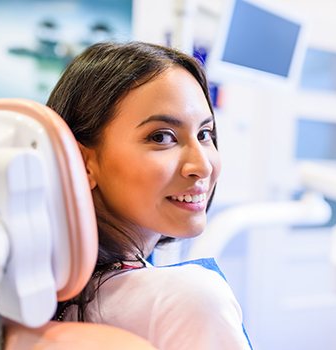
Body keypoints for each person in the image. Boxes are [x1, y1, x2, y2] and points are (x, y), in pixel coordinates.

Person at [47, 41, 252, 350]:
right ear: (81, 161)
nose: (202, 165)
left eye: (204, 134)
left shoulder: (45, 300)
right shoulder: (188, 300)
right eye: (162, 137)